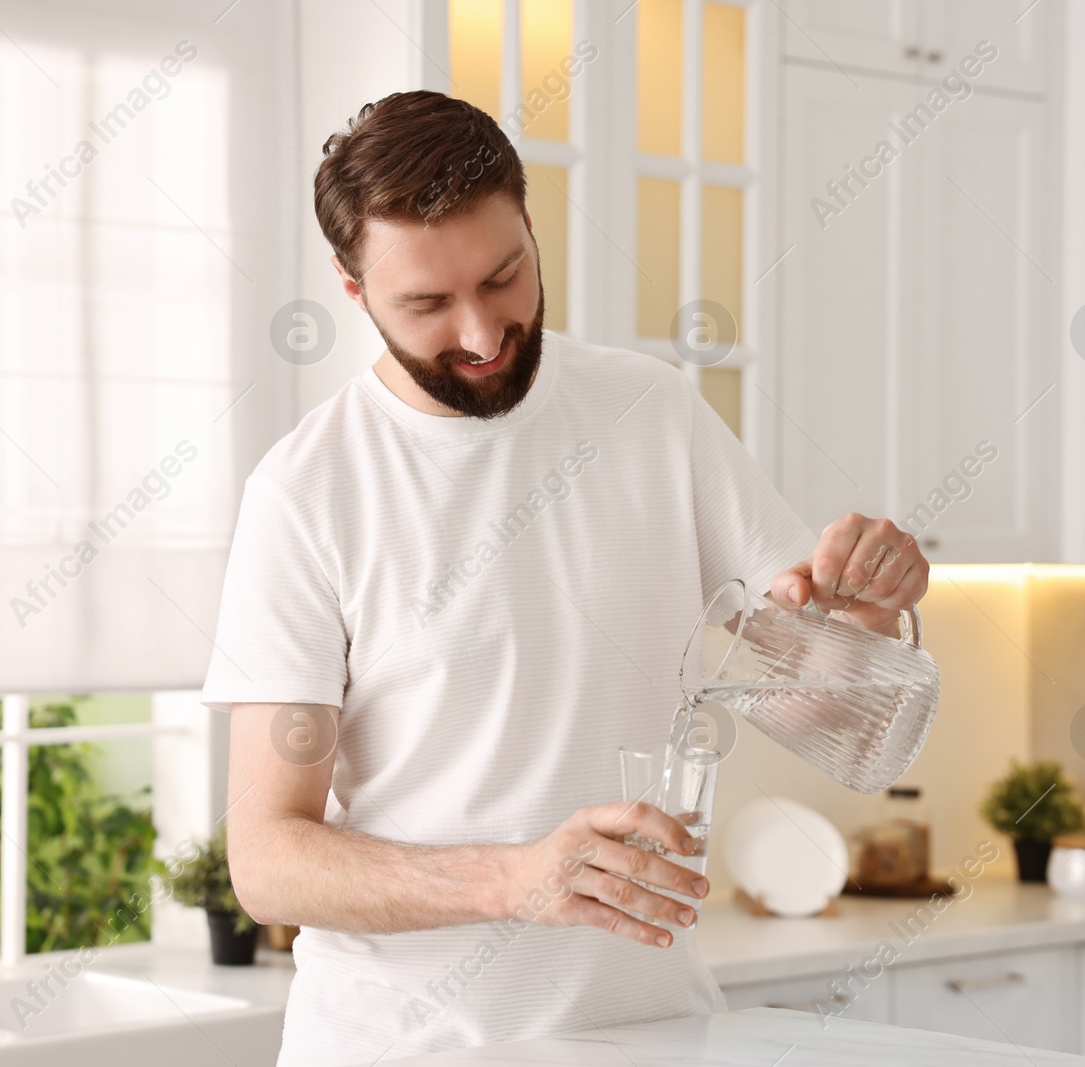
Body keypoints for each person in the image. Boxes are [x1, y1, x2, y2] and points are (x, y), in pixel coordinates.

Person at [200, 90, 928, 1066]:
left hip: (653, 1036)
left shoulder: (650, 412)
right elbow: (268, 860)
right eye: (425, 303)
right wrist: (510, 880)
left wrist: (872, 611)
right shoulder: (307, 491)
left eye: (504, 276)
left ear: (531, 225)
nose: (481, 331)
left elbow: (834, 711)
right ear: (352, 288)